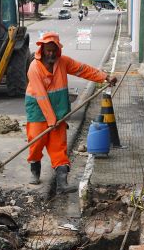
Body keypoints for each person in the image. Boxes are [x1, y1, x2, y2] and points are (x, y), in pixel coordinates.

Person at [25, 31, 118, 193]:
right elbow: (40, 96)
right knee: (36, 142)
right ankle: (35, 170)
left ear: (58, 50)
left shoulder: (63, 62)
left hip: (59, 111)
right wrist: (50, 118)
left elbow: (83, 69)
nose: (51, 53)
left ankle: (62, 184)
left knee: (58, 146)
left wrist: (105, 77)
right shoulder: (34, 68)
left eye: (54, 50)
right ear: (42, 50)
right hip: (38, 110)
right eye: (48, 50)